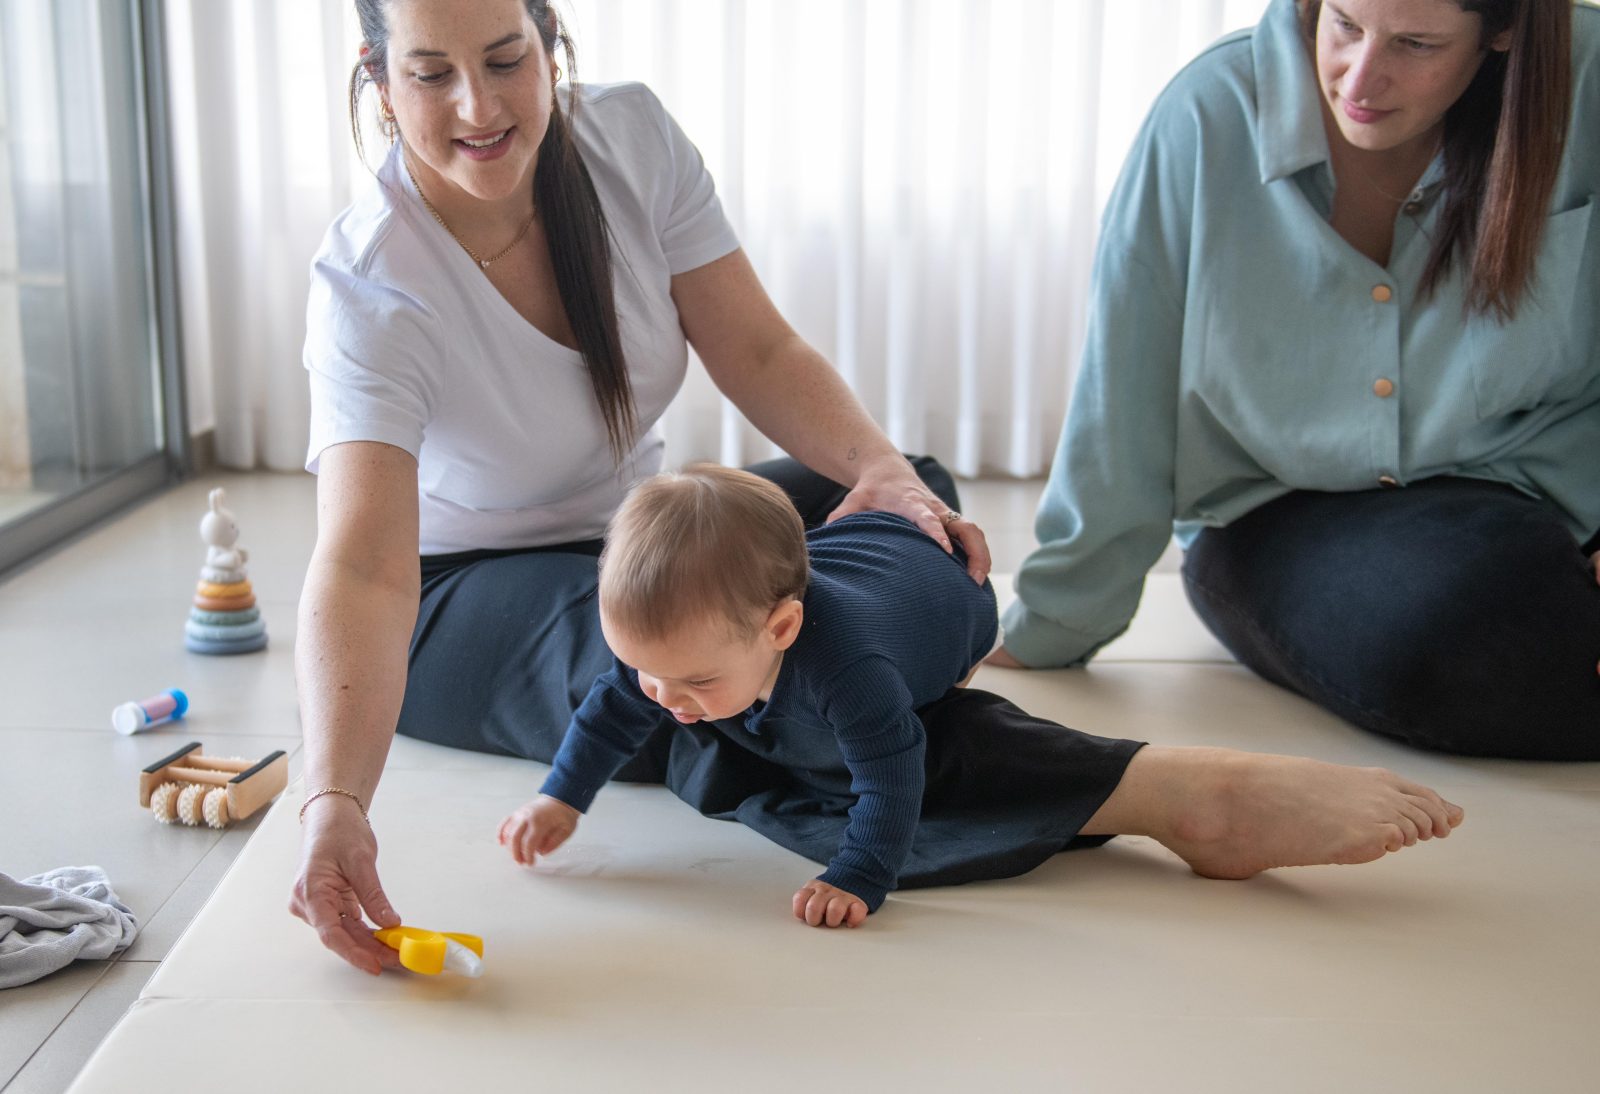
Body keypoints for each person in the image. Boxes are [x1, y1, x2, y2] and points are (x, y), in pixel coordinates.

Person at [289, 0, 991, 976]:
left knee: (903, 502)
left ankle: (860, 692)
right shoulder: (371, 283)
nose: (478, 106)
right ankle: (1107, 784)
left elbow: (758, 349)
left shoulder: (630, 138)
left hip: (625, 540)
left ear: (549, 43)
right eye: (432, 74)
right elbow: (365, 568)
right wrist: (335, 802)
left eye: (505, 60)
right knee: (684, 671)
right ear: (378, 76)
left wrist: (879, 469)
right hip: (452, 594)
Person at [991, 0, 1600, 761]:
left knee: (1521, 613)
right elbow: (1124, 389)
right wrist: (1053, 625)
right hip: (1284, 509)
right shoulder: (1210, 113)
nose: (1360, 78)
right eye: (1344, 24)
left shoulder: (1584, 76)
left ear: (1504, 31)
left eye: (1416, 44)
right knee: (1481, 622)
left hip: (1550, 483)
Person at [498, 466, 1464, 930]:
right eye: (648, 670)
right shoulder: (675, 662)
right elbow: (612, 708)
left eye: (693, 680)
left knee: (840, 747)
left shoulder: (848, 672)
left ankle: (1181, 796)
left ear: (783, 628)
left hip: (947, 604)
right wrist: (561, 798)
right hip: (848, 564)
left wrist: (857, 876)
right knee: (695, 709)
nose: (664, 697)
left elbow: (890, 778)